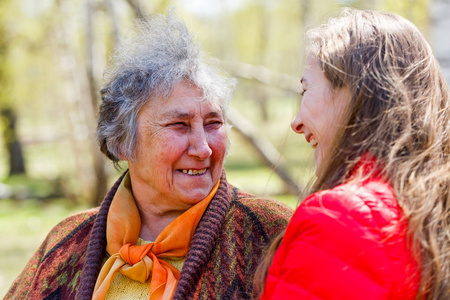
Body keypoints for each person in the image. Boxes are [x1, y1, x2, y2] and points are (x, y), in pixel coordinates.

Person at [5, 12, 293, 300]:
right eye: (179, 125)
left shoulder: (273, 235)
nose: (203, 148)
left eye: (213, 123)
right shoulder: (66, 242)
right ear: (122, 143)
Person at [254, 8, 450, 300]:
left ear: (356, 94)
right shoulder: (428, 211)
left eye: (305, 90)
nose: (296, 122)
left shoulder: (341, 220)